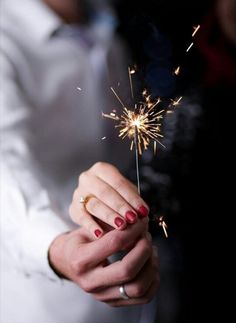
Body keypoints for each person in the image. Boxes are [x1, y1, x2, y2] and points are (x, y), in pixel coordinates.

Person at [0, 1, 160, 323]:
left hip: (143, 295)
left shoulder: (108, 30)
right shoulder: (7, 37)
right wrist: (57, 247)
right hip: (43, 305)